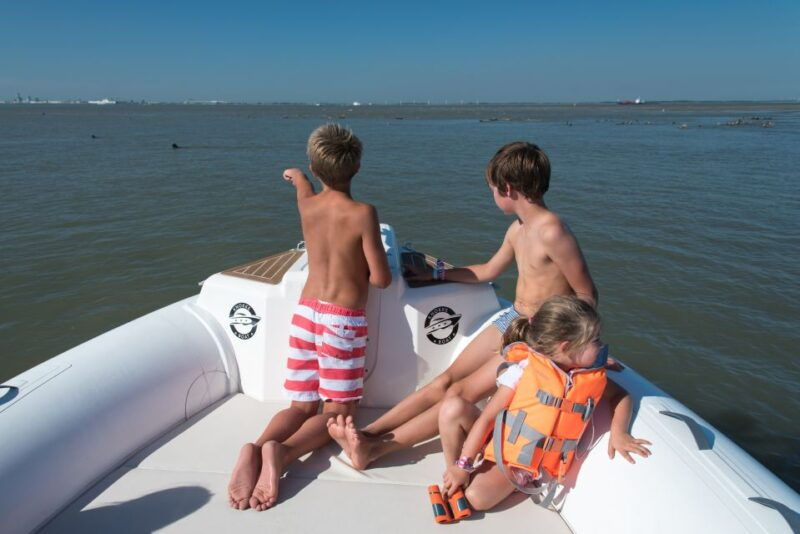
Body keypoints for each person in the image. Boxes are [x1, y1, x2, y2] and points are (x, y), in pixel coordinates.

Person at [328, 141, 597, 470]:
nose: (492, 195)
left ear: (507, 189)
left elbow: (586, 296)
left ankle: (376, 451)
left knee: (461, 393)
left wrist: (553, 340)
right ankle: (368, 434)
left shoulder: (553, 231)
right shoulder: (518, 230)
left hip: (536, 337)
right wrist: (436, 272)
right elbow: (488, 271)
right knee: (444, 381)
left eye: (492, 189)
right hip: (512, 319)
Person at [227, 124, 392, 511]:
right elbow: (382, 278)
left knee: (301, 406)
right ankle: (281, 454)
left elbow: (303, 189)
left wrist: (297, 177)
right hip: (342, 322)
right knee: (337, 412)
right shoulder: (363, 213)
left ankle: (254, 448)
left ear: (315, 170)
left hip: (306, 313)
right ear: (358, 166)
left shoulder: (308, 205)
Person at [439, 296, 651, 511]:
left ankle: (499, 481)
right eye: (594, 340)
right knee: (452, 408)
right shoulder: (524, 369)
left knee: (477, 499)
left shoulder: (588, 378)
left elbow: (622, 396)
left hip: (521, 462)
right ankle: (456, 474)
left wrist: (620, 433)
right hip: (498, 439)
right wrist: (462, 465)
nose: (602, 345)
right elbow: (488, 418)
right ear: (567, 347)